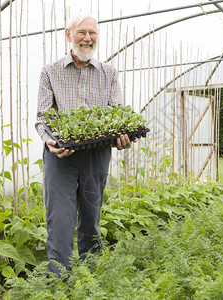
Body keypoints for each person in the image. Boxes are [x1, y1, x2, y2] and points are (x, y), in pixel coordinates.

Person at [35, 12, 134, 277]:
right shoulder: (50, 72)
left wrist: (123, 137)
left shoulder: (109, 73)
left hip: (96, 156)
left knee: (91, 220)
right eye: (82, 32)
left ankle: (92, 280)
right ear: (69, 35)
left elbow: (118, 115)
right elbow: (42, 118)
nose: (87, 38)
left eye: (92, 33)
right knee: (61, 221)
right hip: (61, 159)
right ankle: (58, 282)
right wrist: (49, 142)